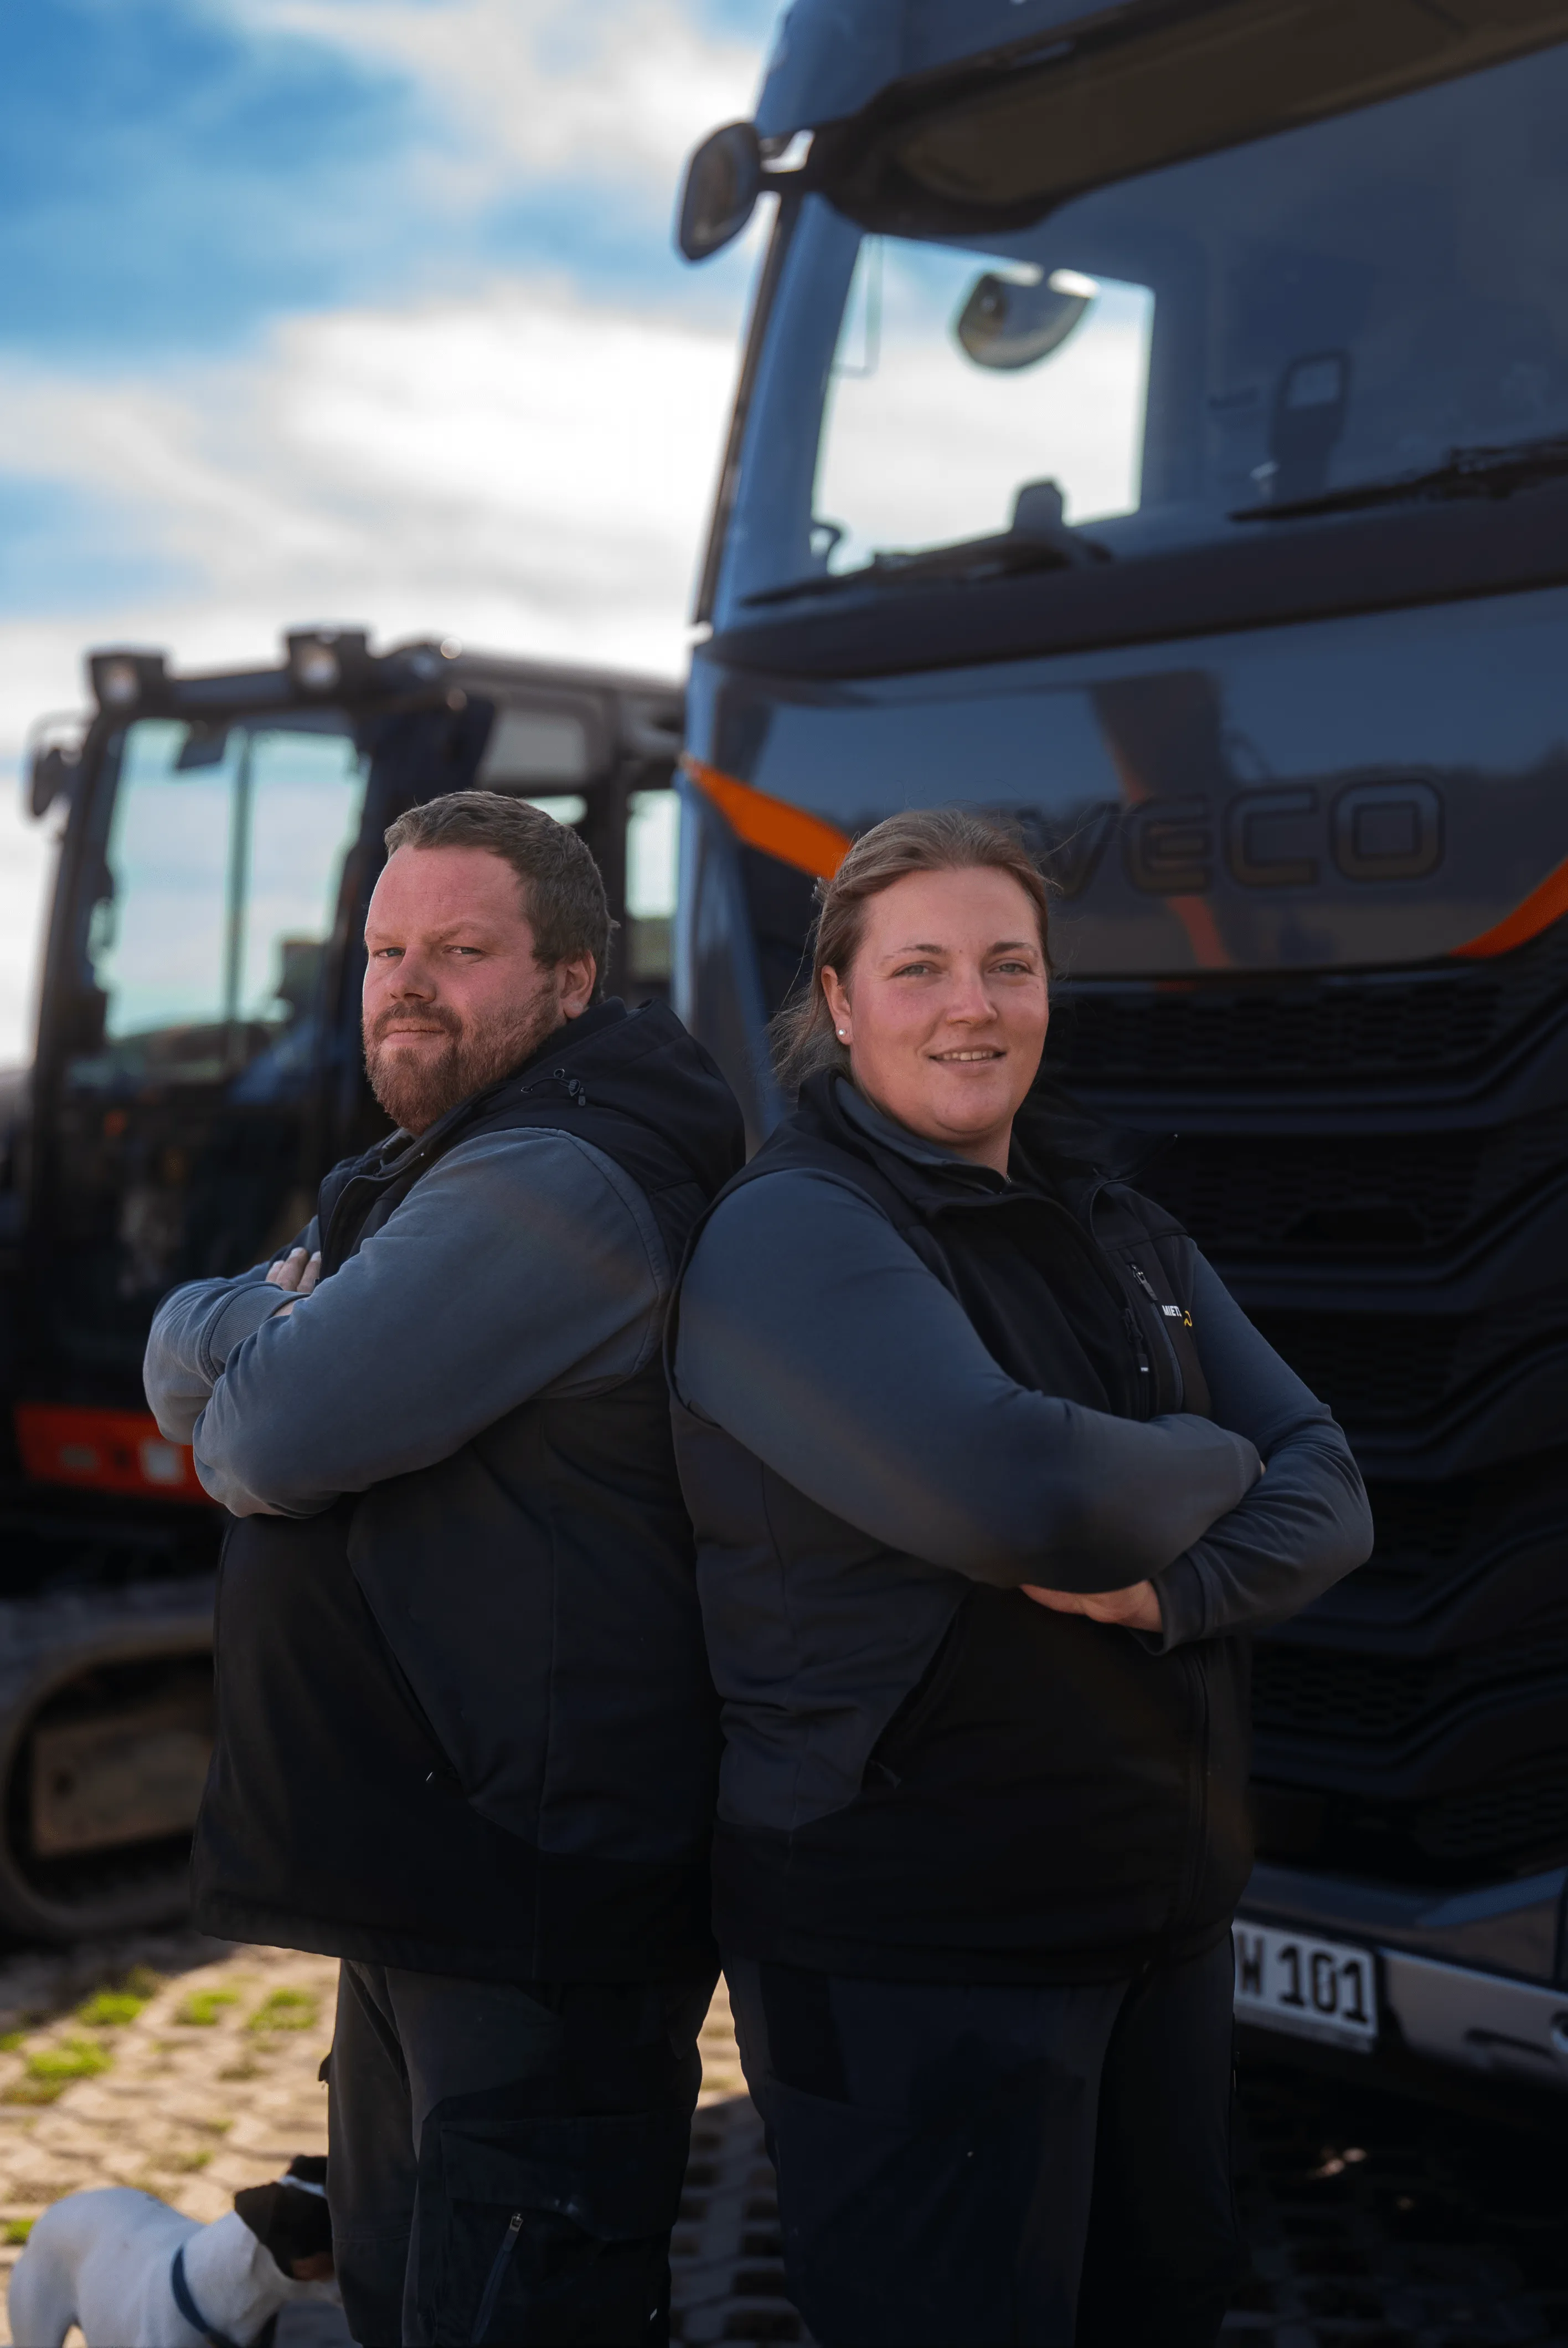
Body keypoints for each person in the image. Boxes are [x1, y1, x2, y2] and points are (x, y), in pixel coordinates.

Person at [668, 807, 1373, 2348]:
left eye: (1008, 964)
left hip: (1154, 1926)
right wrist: (1219, 1455)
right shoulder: (794, 1234)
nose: (971, 1005)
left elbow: (1337, 1492)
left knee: (1160, 2309)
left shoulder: (1124, 1229)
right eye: (919, 968)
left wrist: (1176, 1591)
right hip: (917, 1948)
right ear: (839, 1000)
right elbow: (1032, 1497)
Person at [144, 791, 744, 2348]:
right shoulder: (441, 1164)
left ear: (571, 979)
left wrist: (253, 1331)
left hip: (530, 1895)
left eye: (462, 951)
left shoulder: (555, 1177)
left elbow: (264, 1439)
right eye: (384, 951)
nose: (406, 985)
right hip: (443, 1872)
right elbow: (183, 1361)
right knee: (405, 2299)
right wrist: (260, 1323)